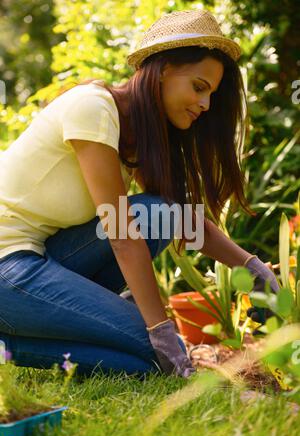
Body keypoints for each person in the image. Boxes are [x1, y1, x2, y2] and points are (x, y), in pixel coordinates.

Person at [0, 9, 279, 379]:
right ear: (162, 70)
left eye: (210, 93)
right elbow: (122, 236)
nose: (205, 105)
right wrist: (159, 330)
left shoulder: (136, 135)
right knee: (152, 354)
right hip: (9, 267)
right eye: (199, 87)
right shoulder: (94, 108)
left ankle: (62, 330)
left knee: (157, 211)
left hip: (46, 257)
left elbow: (178, 221)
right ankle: (11, 344)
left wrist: (252, 267)